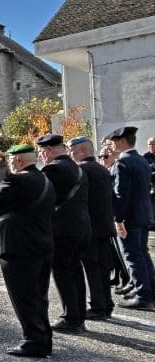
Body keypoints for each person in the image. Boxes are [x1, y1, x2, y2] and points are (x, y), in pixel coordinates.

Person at [0, 143, 56, 358]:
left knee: (24, 297)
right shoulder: (44, 179)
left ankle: (34, 341)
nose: (10, 164)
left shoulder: (18, 179)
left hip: (19, 247)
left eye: (12, 161)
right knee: (39, 296)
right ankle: (43, 337)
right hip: (41, 243)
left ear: (19, 161)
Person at [36, 133, 92, 333]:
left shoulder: (53, 169)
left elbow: (43, 199)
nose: (42, 156)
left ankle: (71, 317)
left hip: (62, 230)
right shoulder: (78, 168)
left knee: (63, 273)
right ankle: (79, 316)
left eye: (42, 152)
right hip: (83, 227)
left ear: (49, 150)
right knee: (76, 271)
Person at [105, 126, 155, 310]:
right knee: (142, 254)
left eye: (112, 142)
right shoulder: (141, 160)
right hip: (142, 215)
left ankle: (143, 296)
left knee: (133, 256)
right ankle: (148, 290)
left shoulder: (122, 163)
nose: (110, 145)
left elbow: (121, 195)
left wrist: (118, 219)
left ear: (121, 142)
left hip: (130, 218)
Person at [68, 136, 117, 320]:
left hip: (89, 227)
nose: (70, 154)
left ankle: (97, 307)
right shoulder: (101, 169)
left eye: (72, 151)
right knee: (102, 268)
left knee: (93, 268)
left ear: (82, 151)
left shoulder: (81, 170)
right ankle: (106, 304)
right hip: (104, 226)